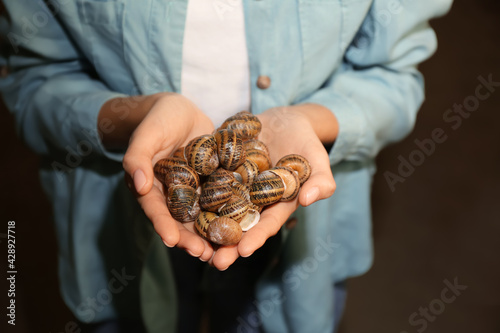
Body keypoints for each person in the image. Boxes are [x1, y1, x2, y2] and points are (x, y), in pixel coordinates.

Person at [0, 0, 452, 332]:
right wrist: (134, 115)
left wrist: (307, 121)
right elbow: (32, 81)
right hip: (116, 221)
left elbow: (393, 78)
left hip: (303, 245)